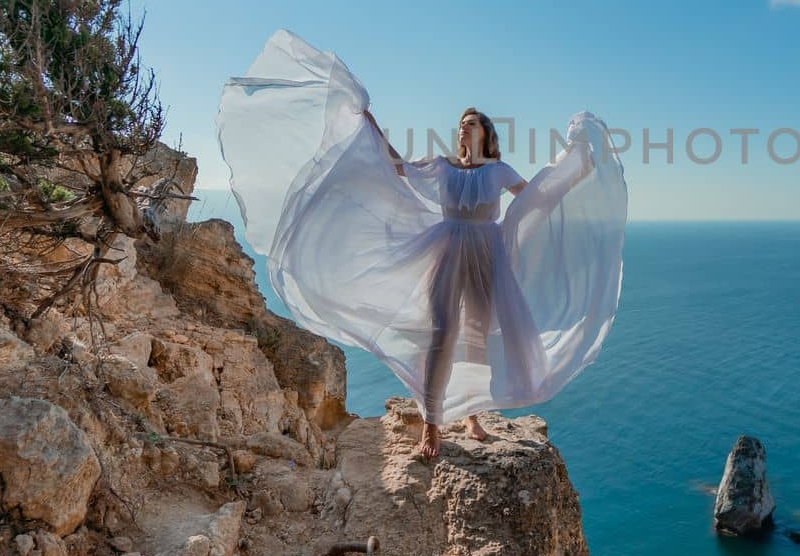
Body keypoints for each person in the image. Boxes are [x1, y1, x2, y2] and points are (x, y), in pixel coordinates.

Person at [217, 29, 627, 460]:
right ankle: (431, 426)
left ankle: (471, 415)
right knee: (442, 333)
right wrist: (368, 124)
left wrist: (575, 168)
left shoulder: (500, 170)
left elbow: (536, 198)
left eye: (471, 123)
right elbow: (397, 168)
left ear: (485, 133)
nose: (463, 128)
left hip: (488, 256)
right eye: (461, 124)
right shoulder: (442, 167)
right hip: (447, 251)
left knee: (476, 337)